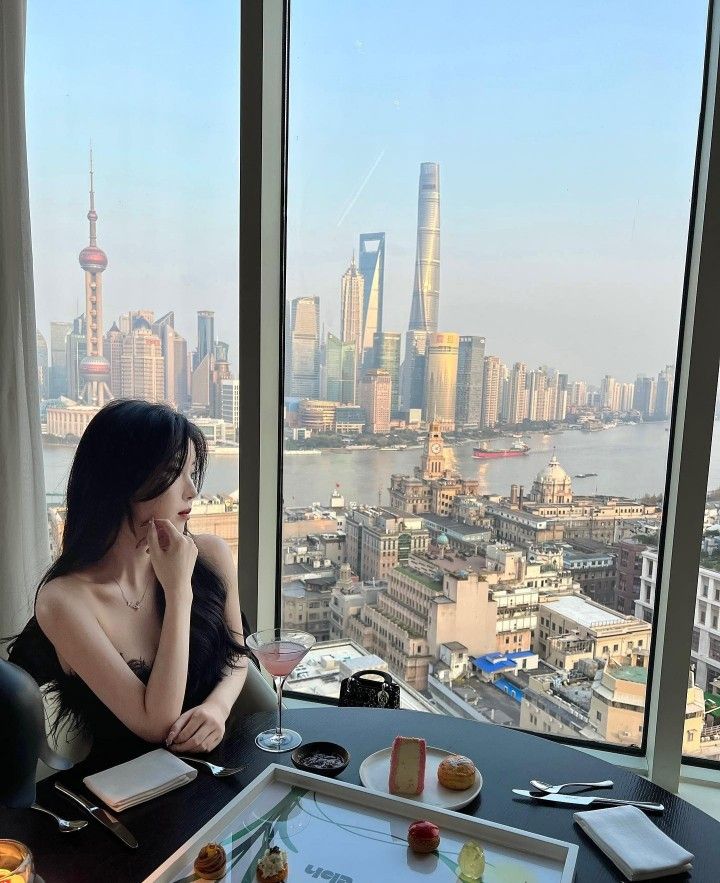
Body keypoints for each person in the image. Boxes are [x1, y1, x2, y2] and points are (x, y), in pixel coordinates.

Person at [8, 399, 249, 757]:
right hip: (124, 794)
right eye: (172, 473)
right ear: (122, 482)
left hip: (218, 767)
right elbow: (157, 723)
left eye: (192, 471)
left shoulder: (210, 554)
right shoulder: (64, 600)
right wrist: (178, 590)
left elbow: (238, 656)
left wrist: (218, 706)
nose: (192, 491)